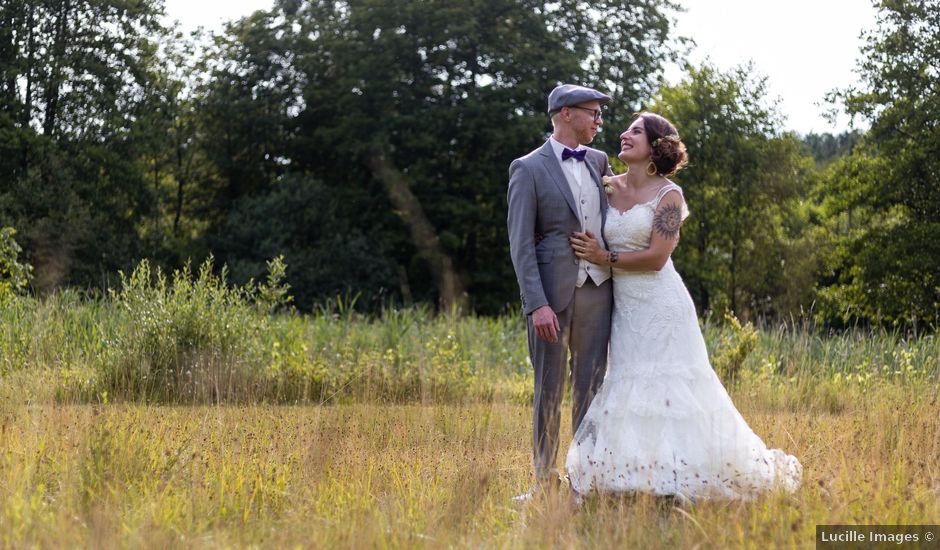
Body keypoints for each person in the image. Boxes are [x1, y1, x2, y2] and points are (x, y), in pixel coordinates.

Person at [565, 112, 802, 501]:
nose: (624, 135)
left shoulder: (669, 195)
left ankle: (680, 478)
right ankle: (634, 478)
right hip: (625, 308)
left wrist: (602, 256)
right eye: (626, 130)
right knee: (628, 383)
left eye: (636, 131)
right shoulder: (606, 187)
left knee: (673, 387)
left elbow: (658, 257)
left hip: (663, 306)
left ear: (656, 146)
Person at [507, 84, 615, 499]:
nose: (599, 121)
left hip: (598, 291)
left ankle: (584, 482)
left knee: (590, 386)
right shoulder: (527, 168)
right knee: (548, 388)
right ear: (566, 113)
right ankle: (543, 482)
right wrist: (536, 305)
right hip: (551, 298)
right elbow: (520, 244)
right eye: (593, 113)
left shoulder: (600, 162)